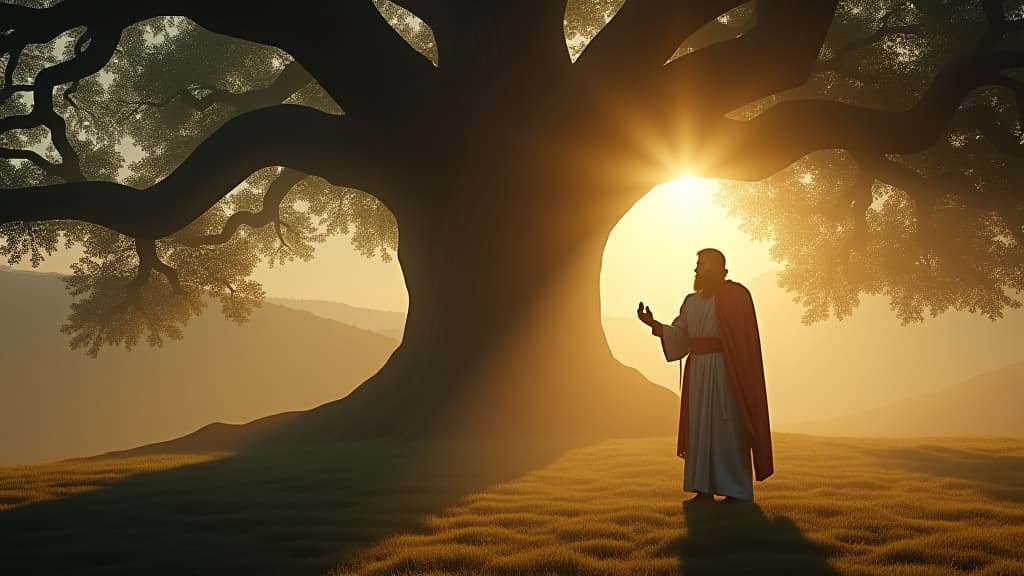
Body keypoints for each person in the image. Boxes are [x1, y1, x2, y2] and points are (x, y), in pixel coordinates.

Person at [637, 248, 773, 502]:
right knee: (699, 427)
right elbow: (680, 335)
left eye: (703, 264)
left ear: (720, 270)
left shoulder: (737, 297)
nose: (697, 269)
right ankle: (703, 488)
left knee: (728, 428)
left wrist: (739, 374)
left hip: (727, 372)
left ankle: (735, 491)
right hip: (698, 372)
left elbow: (744, 340)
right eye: (697, 264)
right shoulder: (691, 301)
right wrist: (654, 325)